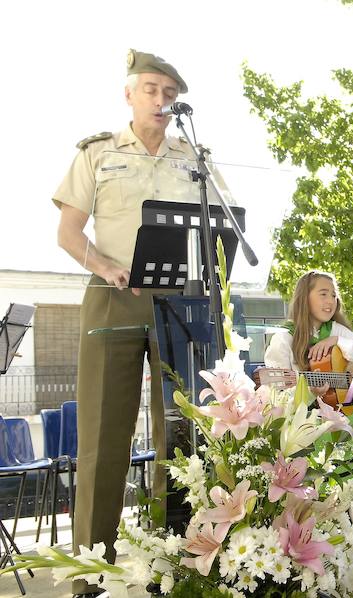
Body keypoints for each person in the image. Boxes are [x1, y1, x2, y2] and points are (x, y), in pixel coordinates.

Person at [53, 49, 198, 598]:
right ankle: (91, 574)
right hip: (112, 297)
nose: (161, 101)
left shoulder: (195, 158)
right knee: (101, 439)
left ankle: (177, 565)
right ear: (130, 94)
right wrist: (107, 266)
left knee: (180, 439)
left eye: (169, 93)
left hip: (180, 305)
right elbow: (69, 234)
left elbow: (223, 224)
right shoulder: (97, 153)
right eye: (152, 90)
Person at [264, 270, 353, 525]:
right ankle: (334, 520)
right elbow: (276, 395)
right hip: (303, 425)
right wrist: (306, 393)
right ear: (305, 297)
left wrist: (339, 341)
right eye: (323, 294)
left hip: (339, 415)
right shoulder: (284, 337)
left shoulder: (334, 329)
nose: (330, 301)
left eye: (334, 295)